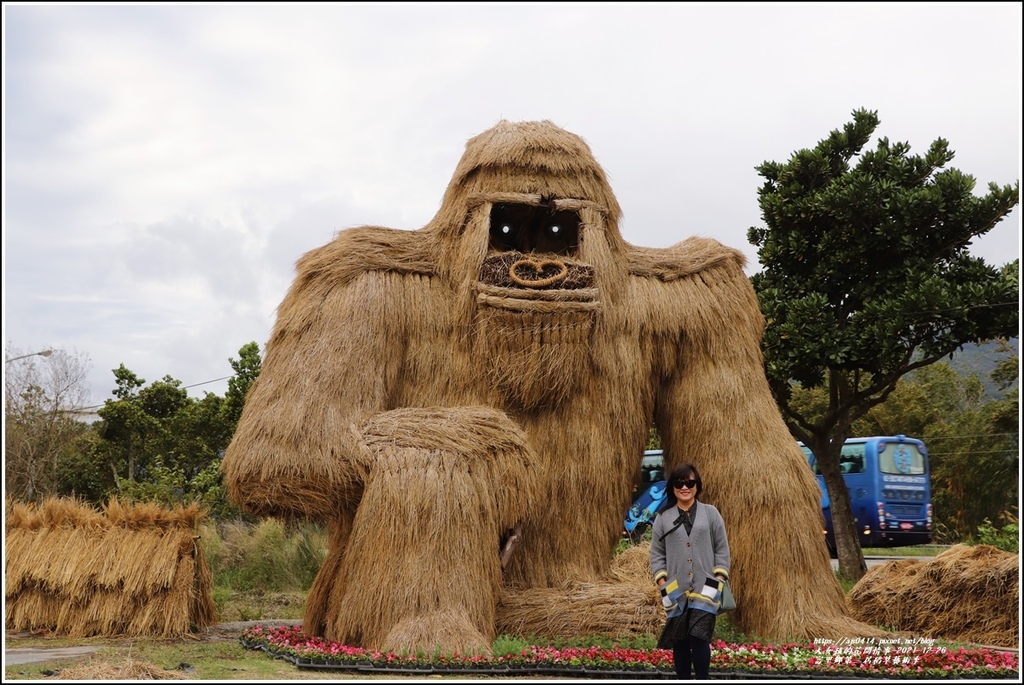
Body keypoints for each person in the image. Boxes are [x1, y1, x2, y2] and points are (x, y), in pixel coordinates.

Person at [650, 463, 730, 679]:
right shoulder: (663, 517)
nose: (684, 487)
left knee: (700, 637)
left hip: (708, 586)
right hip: (675, 588)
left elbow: (722, 548)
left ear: (697, 485)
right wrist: (663, 584)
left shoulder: (710, 513)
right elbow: (657, 554)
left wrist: (719, 579)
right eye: (679, 482)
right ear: (672, 487)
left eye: (690, 482)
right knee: (681, 640)